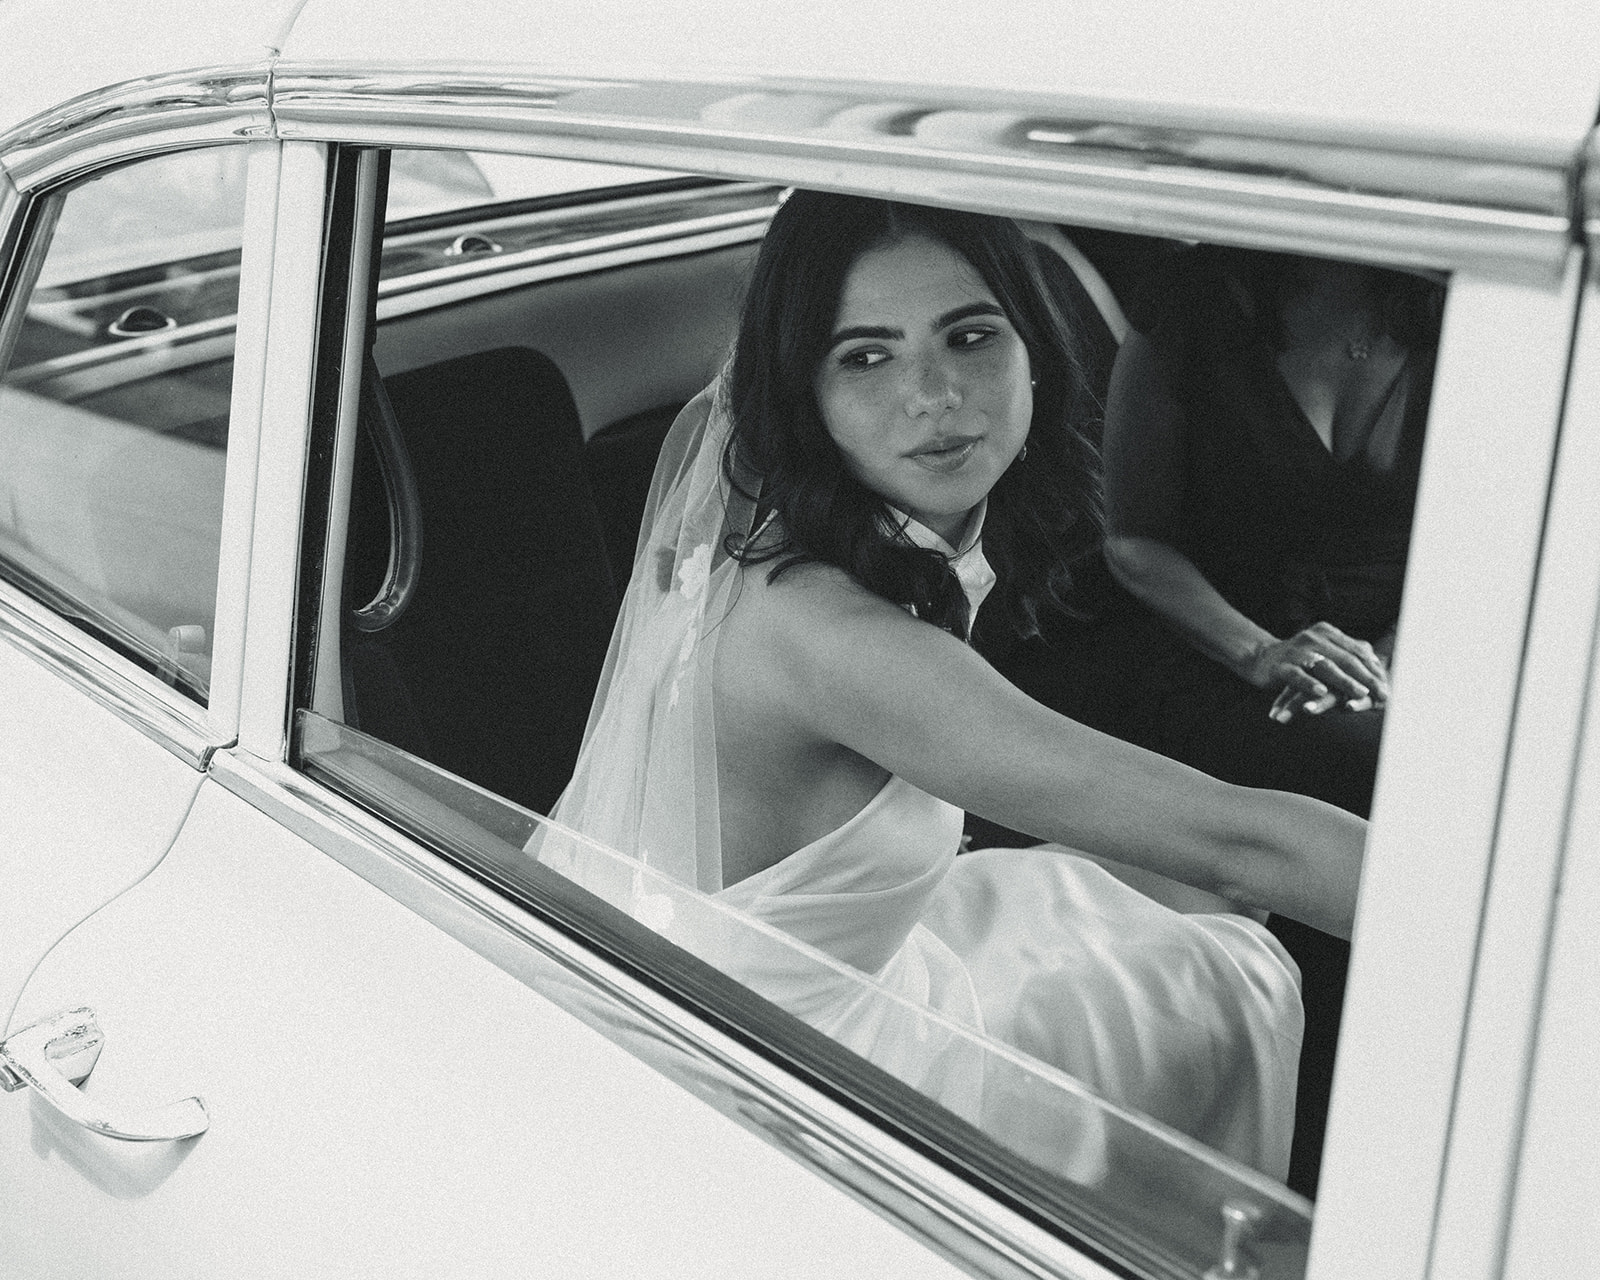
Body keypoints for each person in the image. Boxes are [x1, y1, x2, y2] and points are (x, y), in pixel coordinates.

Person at [542, 193, 1368, 1181]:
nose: (932, 393)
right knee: (1225, 965)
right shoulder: (835, 637)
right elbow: (1242, 842)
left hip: (846, 960)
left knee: (1163, 897)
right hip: (813, 1089)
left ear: (1033, 348)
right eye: (866, 355)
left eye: (969, 336)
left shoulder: (835, 556)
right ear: (803, 394)